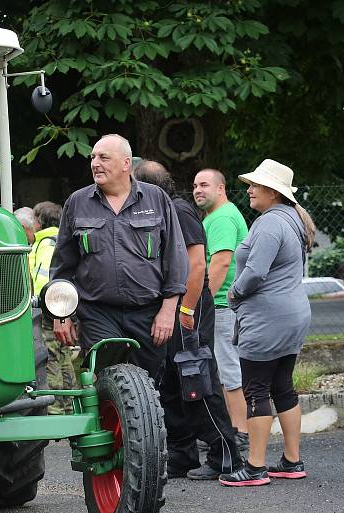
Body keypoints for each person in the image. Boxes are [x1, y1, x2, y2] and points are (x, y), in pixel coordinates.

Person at [134, 161, 241, 480]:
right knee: (169, 381)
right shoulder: (163, 210)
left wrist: (186, 310)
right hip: (171, 307)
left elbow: (198, 266)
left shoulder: (177, 210)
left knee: (195, 375)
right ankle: (182, 454)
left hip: (187, 308)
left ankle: (226, 456)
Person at [51, 134, 188, 381]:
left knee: (149, 387)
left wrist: (168, 310)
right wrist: (62, 315)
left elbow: (175, 257)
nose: (95, 163)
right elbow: (62, 266)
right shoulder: (77, 202)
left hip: (149, 313)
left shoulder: (156, 198)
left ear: (126, 164)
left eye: (104, 157)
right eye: (92, 157)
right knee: (107, 382)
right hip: (97, 312)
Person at [218, 159, 314, 487]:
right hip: (292, 315)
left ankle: (255, 466)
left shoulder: (270, 223)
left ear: (273, 193)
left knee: (256, 389)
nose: (249, 190)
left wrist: (234, 293)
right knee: (283, 386)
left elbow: (256, 272)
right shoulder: (292, 219)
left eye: (255, 185)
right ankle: (291, 460)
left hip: (267, 319)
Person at [193, 168, 250, 448]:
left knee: (228, 372)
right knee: (223, 369)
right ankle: (230, 429)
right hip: (221, 305)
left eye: (204, 184)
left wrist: (200, 302)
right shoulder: (216, 216)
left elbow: (221, 262)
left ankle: (239, 432)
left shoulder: (222, 217)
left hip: (222, 306)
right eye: (195, 186)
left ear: (221, 188)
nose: (198, 190)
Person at [31, 200, 79, 415]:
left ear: (39, 221)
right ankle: (70, 404)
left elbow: (46, 280)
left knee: (51, 357)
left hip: (47, 311)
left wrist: (43, 305)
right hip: (60, 309)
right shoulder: (58, 240)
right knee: (64, 356)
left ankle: (55, 407)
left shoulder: (45, 243)